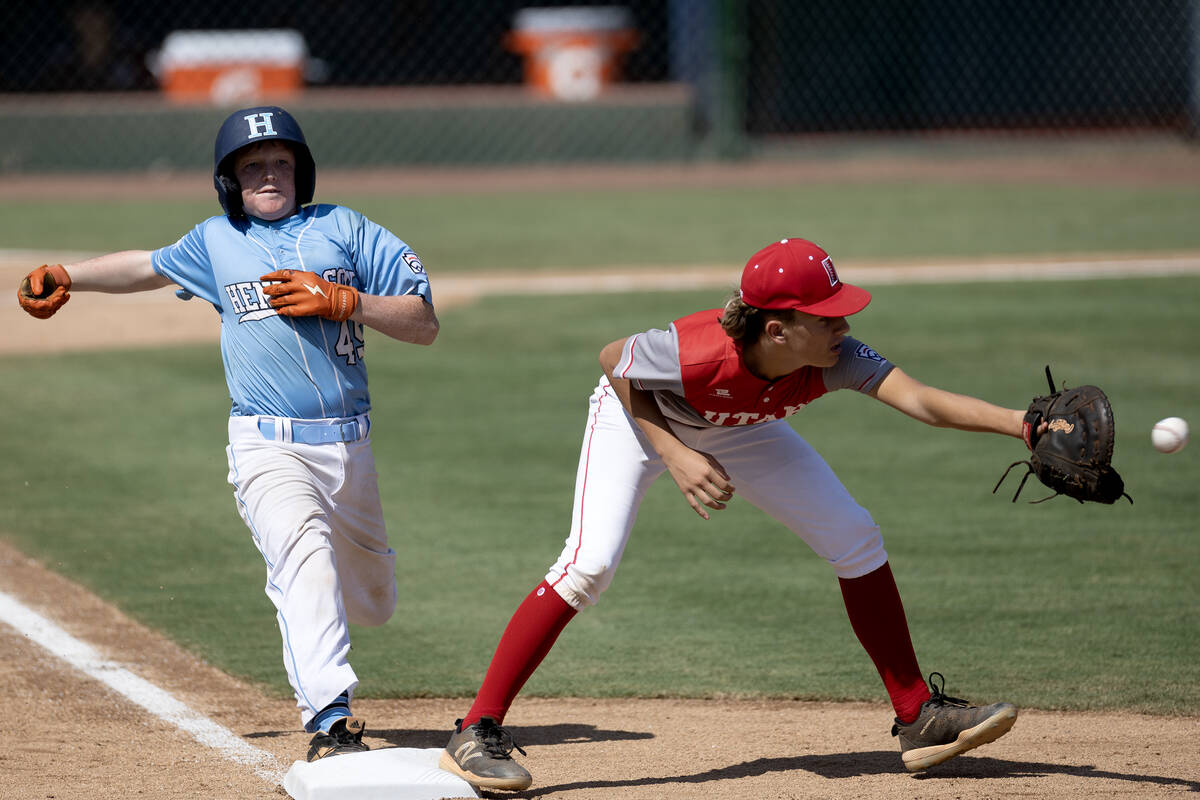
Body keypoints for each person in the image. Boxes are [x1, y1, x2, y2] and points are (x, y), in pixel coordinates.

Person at [438, 237, 1026, 791]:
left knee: (854, 536)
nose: (844, 326)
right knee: (588, 566)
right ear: (777, 329)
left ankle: (916, 715)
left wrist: (1023, 425)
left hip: (743, 428)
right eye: (826, 317)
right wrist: (674, 452)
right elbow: (615, 361)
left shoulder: (833, 357)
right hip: (639, 422)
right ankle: (474, 730)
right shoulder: (695, 353)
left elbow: (920, 399)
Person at [16, 106, 439, 762]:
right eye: (252, 166)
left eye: (280, 163)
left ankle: (339, 656)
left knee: (375, 602)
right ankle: (330, 720)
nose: (269, 175)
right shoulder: (217, 241)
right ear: (230, 182)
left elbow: (423, 321)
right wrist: (72, 275)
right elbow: (148, 267)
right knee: (303, 560)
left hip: (350, 446)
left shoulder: (347, 229)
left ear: (301, 172)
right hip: (267, 444)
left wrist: (346, 301)